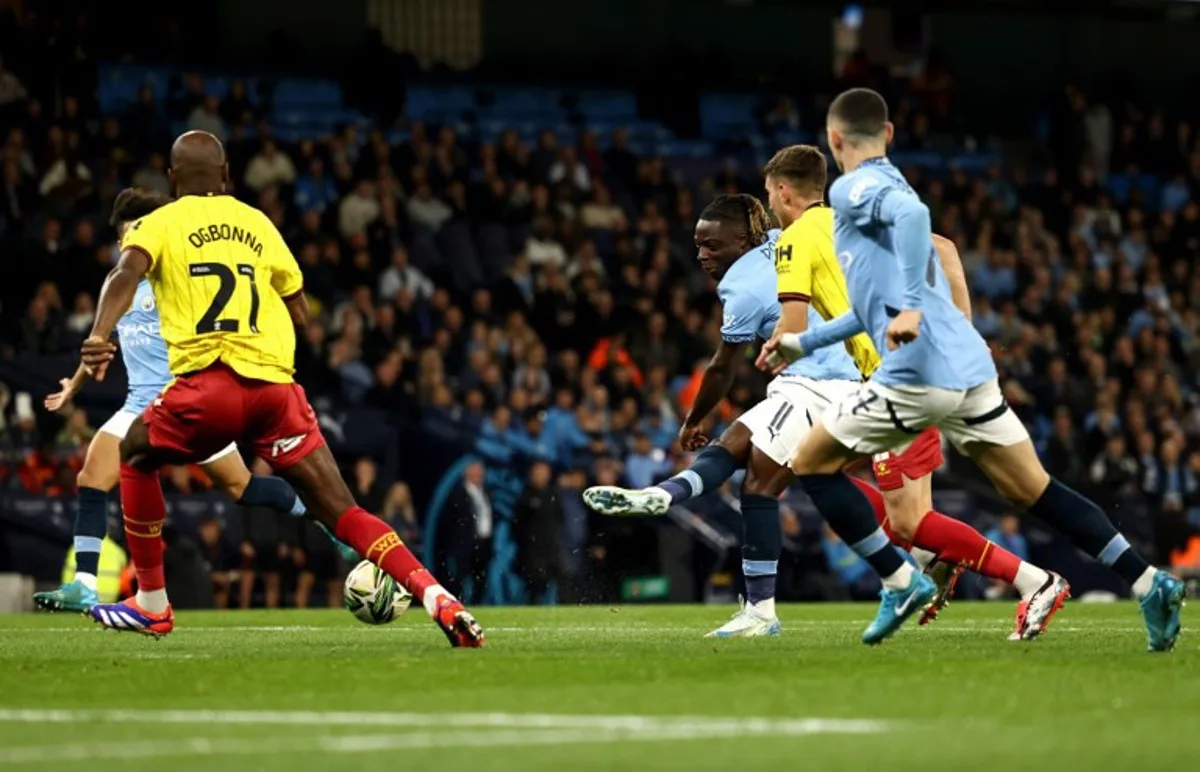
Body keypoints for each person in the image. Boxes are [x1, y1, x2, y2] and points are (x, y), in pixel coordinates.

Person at [765, 88, 1183, 651]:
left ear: (835, 139)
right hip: (969, 370)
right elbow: (872, 304)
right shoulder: (891, 185)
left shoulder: (852, 188)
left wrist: (912, 303)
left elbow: (916, 223)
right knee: (1032, 489)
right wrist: (807, 341)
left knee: (809, 462)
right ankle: (1148, 581)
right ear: (889, 135)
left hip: (916, 375)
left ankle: (898, 579)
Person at [80, 131, 483, 647]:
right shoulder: (257, 223)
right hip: (276, 390)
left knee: (136, 452)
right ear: (227, 177)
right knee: (344, 512)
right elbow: (299, 308)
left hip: (210, 386)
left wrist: (97, 335)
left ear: (173, 178)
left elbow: (123, 273)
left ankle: (153, 605)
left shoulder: (158, 224)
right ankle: (439, 598)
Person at [584, 194, 934, 643]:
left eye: (712, 245)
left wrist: (692, 420)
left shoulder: (742, 286)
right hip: (834, 377)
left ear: (743, 240)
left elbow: (722, 367)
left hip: (819, 383)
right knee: (737, 445)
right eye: (698, 245)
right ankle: (664, 497)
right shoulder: (780, 241)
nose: (701, 256)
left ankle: (794, 601)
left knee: (761, 482)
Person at [758, 144, 1062, 636]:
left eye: (770, 194)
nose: (770, 204)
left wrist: (776, 350)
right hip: (913, 369)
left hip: (899, 380)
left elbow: (791, 329)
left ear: (784, 191)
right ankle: (933, 553)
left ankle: (1031, 580)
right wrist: (964, 324)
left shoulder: (794, 241)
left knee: (899, 517)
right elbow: (944, 248)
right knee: (815, 465)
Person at [33, 188, 354, 614]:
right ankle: (85, 584)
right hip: (138, 405)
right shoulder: (119, 284)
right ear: (120, 242)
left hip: (188, 401)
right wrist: (75, 384)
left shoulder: (177, 278)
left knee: (243, 488)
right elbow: (101, 343)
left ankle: (328, 521)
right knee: (92, 477)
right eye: (132, 234)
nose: (141, 241)